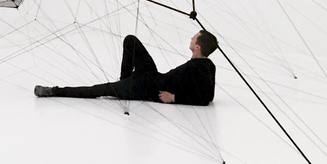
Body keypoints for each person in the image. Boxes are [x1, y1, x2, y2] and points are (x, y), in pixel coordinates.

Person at [34, 31, 218, 106]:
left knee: (100, 90)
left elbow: (204, 99)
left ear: (197, 47)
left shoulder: (200, 68)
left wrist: (174, 98)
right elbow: (208, 95)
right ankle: (124, 82)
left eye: (194, 38)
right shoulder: (206, 65)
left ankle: (54, 91)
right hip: (152, 76)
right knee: (131, 40)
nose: (191, 39)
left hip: (147, 88)